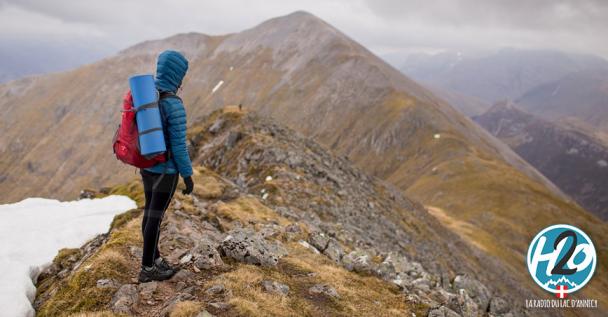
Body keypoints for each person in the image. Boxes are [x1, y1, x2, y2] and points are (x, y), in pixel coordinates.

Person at [138, 50, 194, 283]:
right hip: (166, 171)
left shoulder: (146, 97)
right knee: (155, 217)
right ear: (177, 75)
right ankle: (148, 268)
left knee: (149, 213)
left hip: (147, 166)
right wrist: (188, 175)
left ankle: (155, 259)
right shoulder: (173, 105)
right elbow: (179, 147)